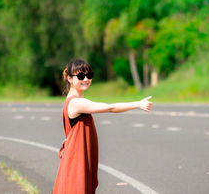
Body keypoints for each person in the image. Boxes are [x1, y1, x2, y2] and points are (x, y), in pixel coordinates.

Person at [52, 58, 153, 194]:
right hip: (76, 162)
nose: (86, 79)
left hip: (76, 158)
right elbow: (110, 108)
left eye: (89, 75)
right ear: (70, 78)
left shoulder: (74, 100)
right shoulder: (76, 103)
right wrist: (138, 104)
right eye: (81, 76)